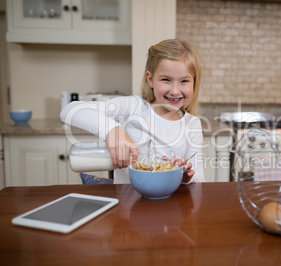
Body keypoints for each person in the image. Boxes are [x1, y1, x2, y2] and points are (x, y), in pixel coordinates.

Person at [60, 39, 205, 184]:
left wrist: (185, 176)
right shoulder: (133, 107)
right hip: (126, 203)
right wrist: (112, 130)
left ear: (194, 82)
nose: (175, 91)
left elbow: (199, 179)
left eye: (184, 81)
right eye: (166, 79)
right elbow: (69, 111)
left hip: (169, 204)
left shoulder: (192, 124)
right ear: (150, 79)